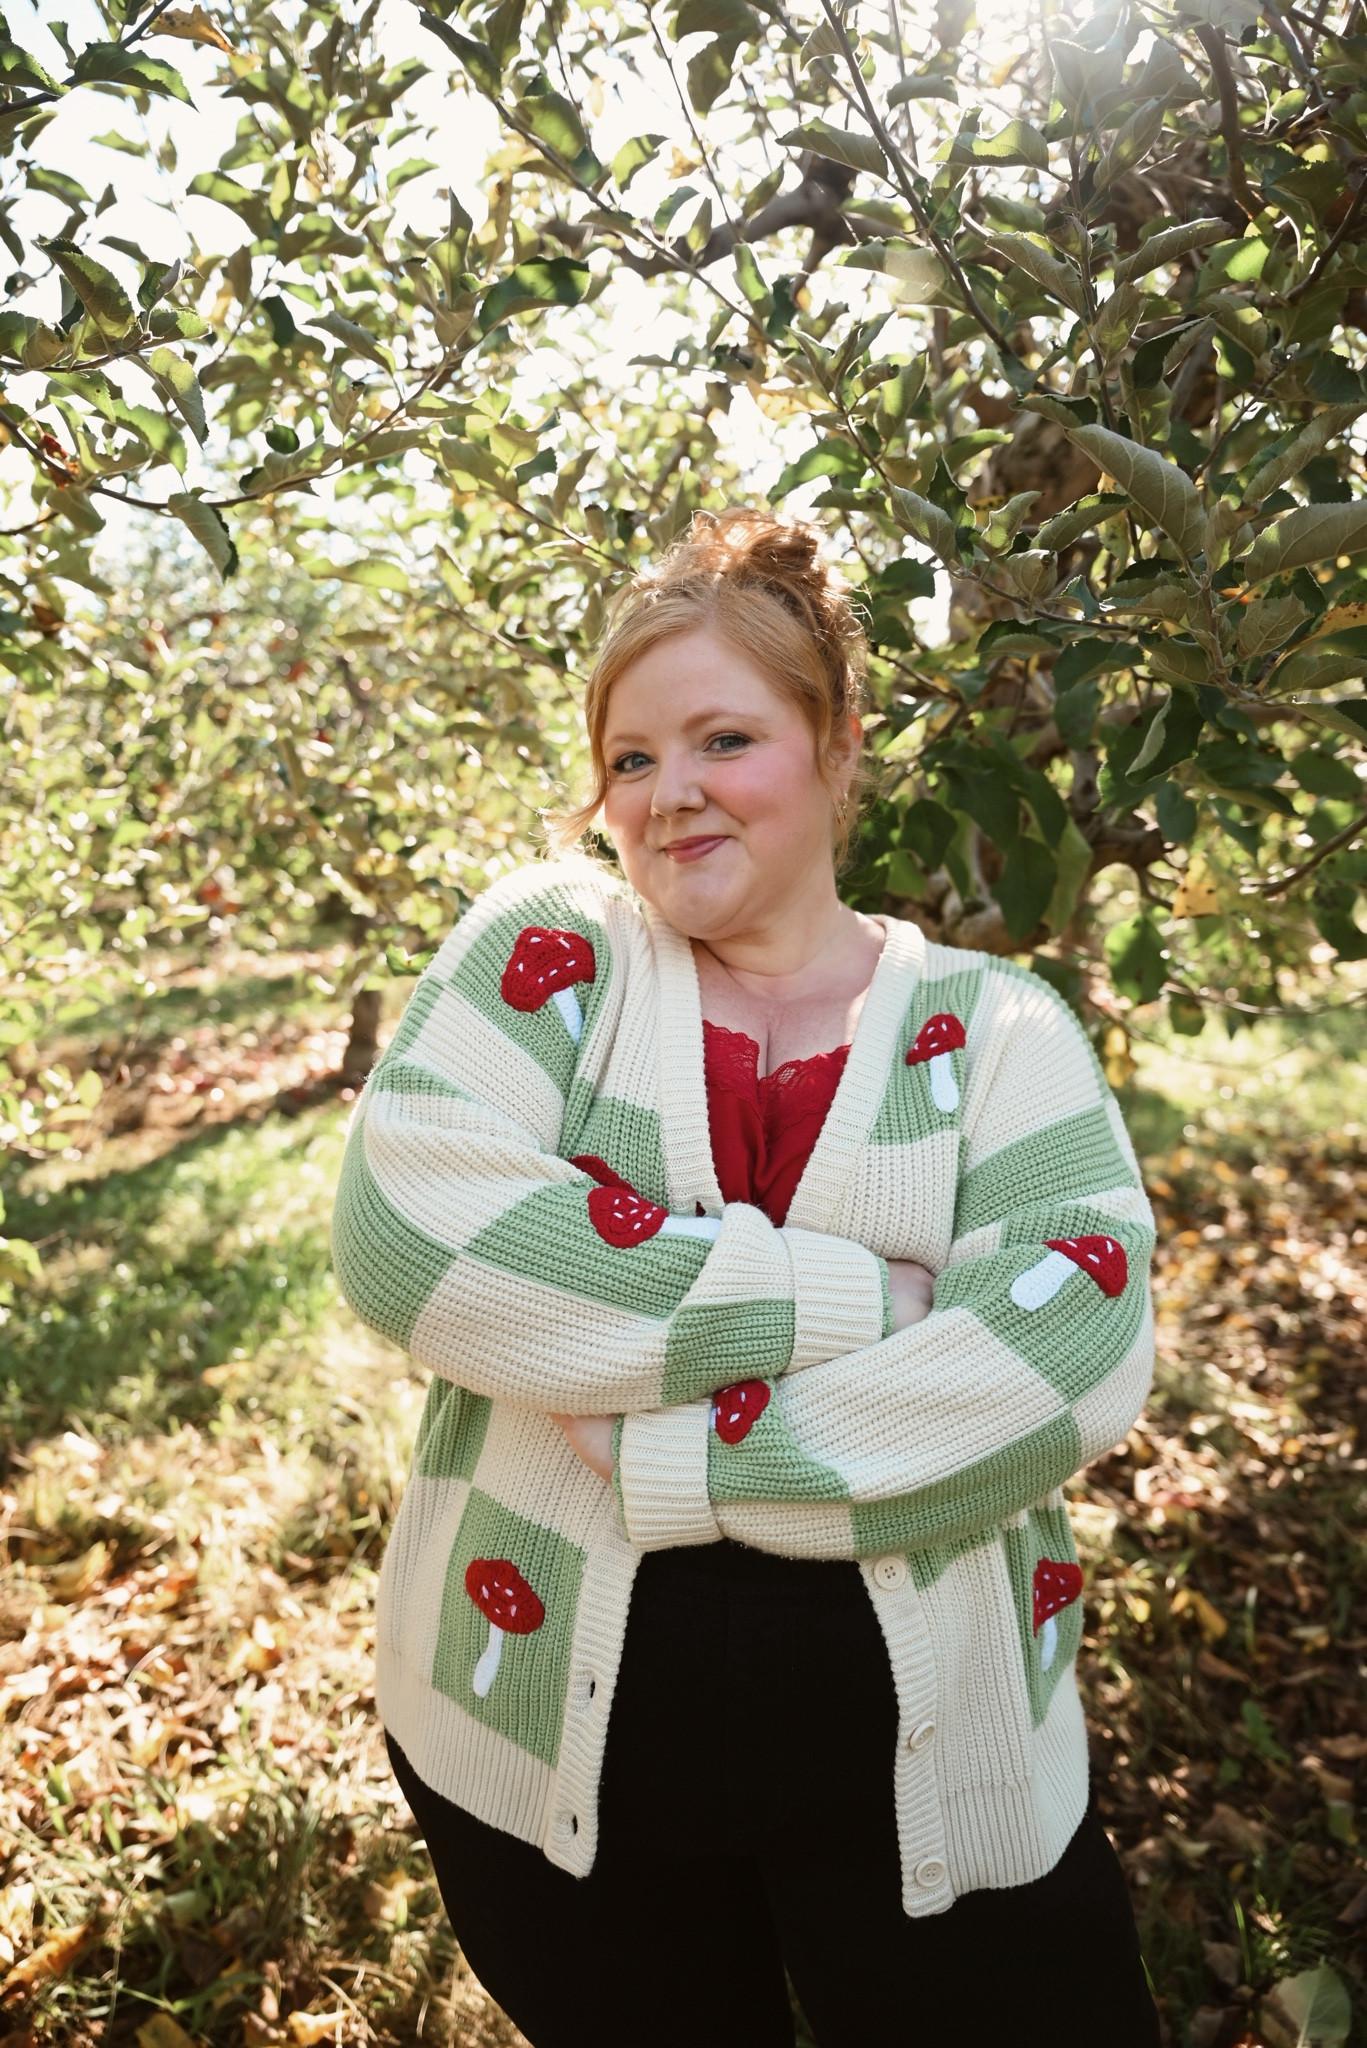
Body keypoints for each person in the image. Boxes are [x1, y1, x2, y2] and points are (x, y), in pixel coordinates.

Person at [332, 509, 1161, 2047]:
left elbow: (1070, 1353)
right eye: (631, 756)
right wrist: (870, 1306)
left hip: (931, 1751)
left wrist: (665, 1448)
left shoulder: (999, 1030)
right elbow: (410, 1232)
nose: (669, 793)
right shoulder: (553, 960)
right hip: (546, 1759)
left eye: (724, 736)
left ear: (839, 745)